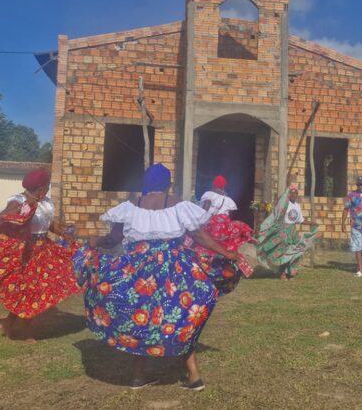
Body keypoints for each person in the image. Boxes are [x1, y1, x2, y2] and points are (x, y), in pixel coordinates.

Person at [73, 164, 239, 391]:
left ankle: (138, 377)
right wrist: (227, 252)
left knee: (141, 316)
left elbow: (113, 240)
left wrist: (93, 243)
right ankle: (193, 375)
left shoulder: (131, 207)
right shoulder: (178, 204)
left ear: (145, 183)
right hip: (175, 270)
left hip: (138, 272)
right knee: (181, 316)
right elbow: (199, 235)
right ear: (168, 183)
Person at [0, 169, 80, 341]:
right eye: (47, 186)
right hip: (25, 251)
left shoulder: (46, 203)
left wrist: (64, 233)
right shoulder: (18, 201)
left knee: (38, 288)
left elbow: (48, 224)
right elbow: (5, 216)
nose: (48, 189)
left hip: (43, 249)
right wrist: (18, 213)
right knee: (29, 289)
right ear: (40, 187)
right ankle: (26, 330)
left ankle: (9, 322)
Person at [187, 175, 254, 295]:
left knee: (203, 246)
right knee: (225, 247)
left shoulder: (209, 195)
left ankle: (202, 271)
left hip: (212, 225)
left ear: (213, 184)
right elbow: (230, 216)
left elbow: (205, 209)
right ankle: (243, 267)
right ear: (224, 186)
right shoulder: (229, 200)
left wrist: (202, 223)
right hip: (225, 226)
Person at [256, 183, 318, 280]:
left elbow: (300, 220)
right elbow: (280, 205)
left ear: (297, 194)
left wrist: (311, 223)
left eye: (295, 193)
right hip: (283, 231)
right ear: (289, 194)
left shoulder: (297, 206)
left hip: (292, 231)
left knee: (294, 251)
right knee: (283, 252)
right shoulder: (285, 203)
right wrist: (287, 190)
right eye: (291, 193)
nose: (293, 195)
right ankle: (282, 273)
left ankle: (291, 271)